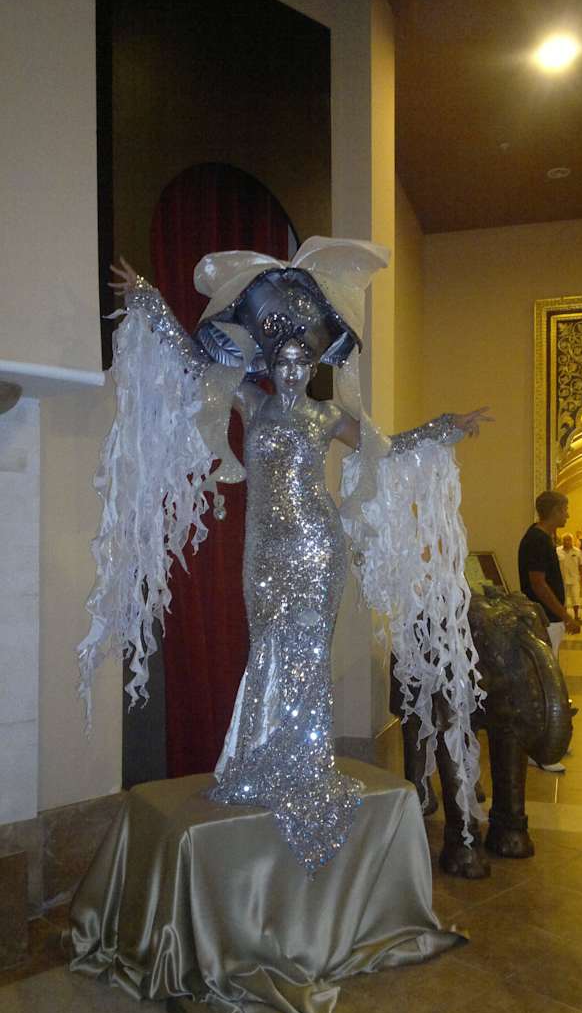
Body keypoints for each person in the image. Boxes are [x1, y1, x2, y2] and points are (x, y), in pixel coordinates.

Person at [81, 239, 490, 871]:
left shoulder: (327, 416)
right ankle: (262, 759)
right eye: (285, 359)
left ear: (313, 363)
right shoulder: (251, 401)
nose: (294, 369)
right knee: (267, 646)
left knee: (307, 656)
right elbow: (191, 362)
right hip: (264, 549)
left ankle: (305, 764)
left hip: (318, 546)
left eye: (303, 359)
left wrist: (444, 426)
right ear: (270, 361)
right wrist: (150, 301)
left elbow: (388, 446)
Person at [518, 489, 580, 773]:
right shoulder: (537, 540)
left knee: (549, 681)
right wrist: (565, 614)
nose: (567, 514)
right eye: (565, 509)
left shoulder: (543, 538)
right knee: (545, 686)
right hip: (544, 619)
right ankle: (539, 749)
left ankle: (550, 741)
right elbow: (538, 584)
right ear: (554, 511)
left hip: (550, 619)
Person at [557, 532, 582, 622]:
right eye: (565, 540)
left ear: (572, 541)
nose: (567, 541)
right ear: (562, 541)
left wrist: (581, 576)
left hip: (574, 578)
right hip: (561, 578)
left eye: (569, 540)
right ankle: (564, 615)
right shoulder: (557, 551)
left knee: (575, 598)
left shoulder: (577, 551)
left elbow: (581, 564)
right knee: (563, 598)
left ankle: (576, 615)